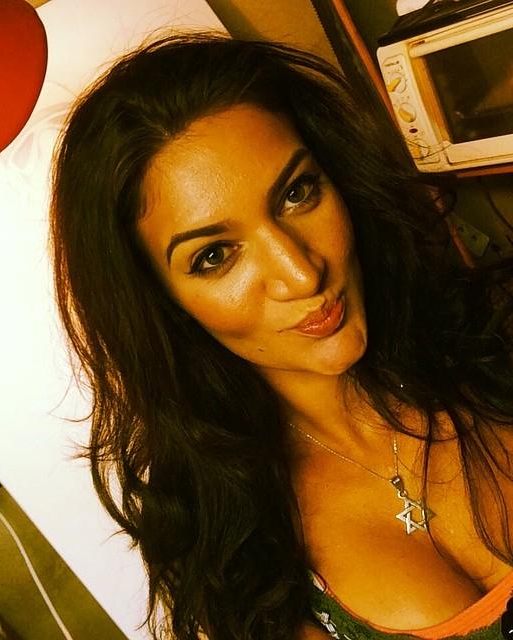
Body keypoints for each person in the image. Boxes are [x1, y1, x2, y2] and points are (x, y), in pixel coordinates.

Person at [49, 33, 513, 640]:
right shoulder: (249, 554)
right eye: (215, 256)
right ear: (161, 303)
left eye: (297, 194)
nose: (301, 273)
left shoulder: (495, 341)